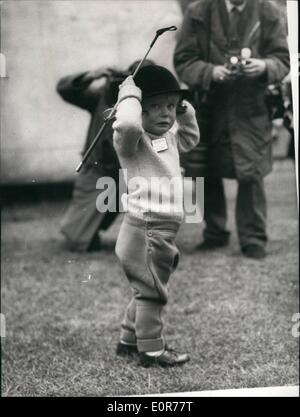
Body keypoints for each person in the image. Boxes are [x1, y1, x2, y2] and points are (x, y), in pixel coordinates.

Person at [174, 0, 290, 259]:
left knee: (251, 170)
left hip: (251, 108)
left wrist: (264, 66)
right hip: (208, 106)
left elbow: (284, 59)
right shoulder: (198, 12)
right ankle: (215, 232)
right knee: (205, 169)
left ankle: (253, 238)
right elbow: (183, 60)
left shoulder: (268, 11)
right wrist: (210, 71)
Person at [113, 65, 200, 366]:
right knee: (152, 291)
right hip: (147, 228)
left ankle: (128, 340)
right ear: (139, 110)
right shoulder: (131, 142)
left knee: (146, 286)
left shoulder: (169, 135)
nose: (166, 114)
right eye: (155, 107)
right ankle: (150, 349)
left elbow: (190, 138)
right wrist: (129, 95)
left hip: (158, 229)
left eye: (171, 106)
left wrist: (185, 111)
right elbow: (127, 125)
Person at [57, 61, 153, 252]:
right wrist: (91, 75)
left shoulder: (151, 102)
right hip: (97, 170)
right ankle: (88, 229)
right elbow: (64, 89)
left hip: (130, 173)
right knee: (76, 240)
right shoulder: (104, 95)